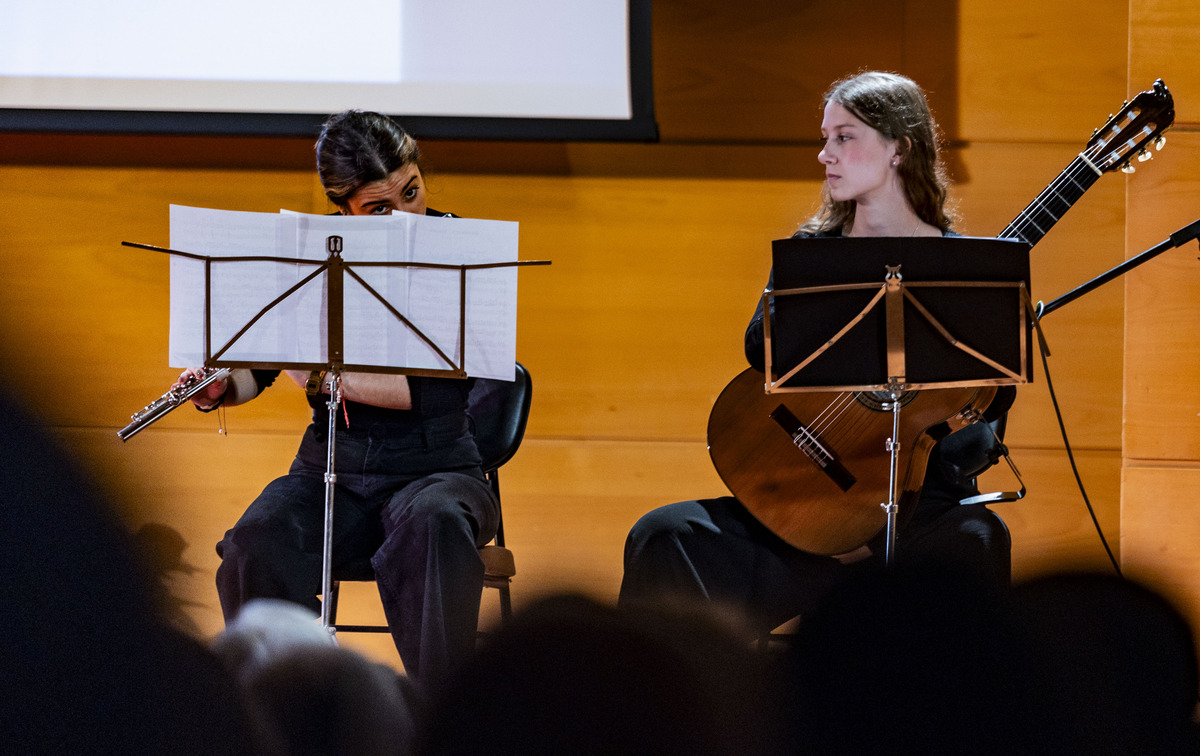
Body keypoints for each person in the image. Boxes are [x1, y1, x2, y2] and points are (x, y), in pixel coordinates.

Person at [619, 71, 1015, 636]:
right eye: (826, 136)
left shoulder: (968, 277)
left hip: (913, 520)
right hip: (803, 509)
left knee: (980, 539)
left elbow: (974, 441)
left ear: (899, 148)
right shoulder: (813, 256)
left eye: (844, 137)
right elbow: (763, 355)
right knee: (664, 534)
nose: (824, 153)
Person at [179, 110, 500, 687]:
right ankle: (282, 713)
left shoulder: (464, 254)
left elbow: (424, 393)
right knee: (256, 543)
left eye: (411, 192)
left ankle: (440, 721)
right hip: (331, 470)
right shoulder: (318, 253)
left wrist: (316, 372)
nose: (405, 218)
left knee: (433, 525)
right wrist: (222, 387)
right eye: (380, 209)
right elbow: (264, 368)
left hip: (437, 470)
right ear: (343, 206)